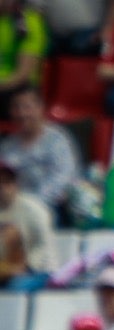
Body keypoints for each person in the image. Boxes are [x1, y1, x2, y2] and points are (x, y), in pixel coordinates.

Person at [0, 86, 81, 224]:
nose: (22, 113)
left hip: (51, 207)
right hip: (13, 208)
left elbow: (63, 179)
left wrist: (31, 203)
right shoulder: (6, 147)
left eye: (27, 107)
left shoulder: (57, 140)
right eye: (16, 108)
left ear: (40, 108)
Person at [0, 158, 54, 292]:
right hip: (6, 272)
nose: (3, 188)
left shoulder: (34, 209)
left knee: (13, 289)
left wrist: (21, 268)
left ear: (16, 184)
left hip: (38, 272)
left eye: (8, 182)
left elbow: (42, 249)